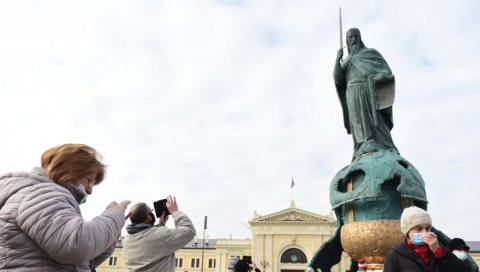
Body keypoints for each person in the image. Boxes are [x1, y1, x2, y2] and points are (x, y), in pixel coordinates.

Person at [0, 143, 130, 271]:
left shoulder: (40, 194)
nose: (90, 190)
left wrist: (105, 247)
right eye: (89, 180)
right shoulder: (42, 192)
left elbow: (75, 263)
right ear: (71, 170)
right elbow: (76, 246)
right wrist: (115, 214)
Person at [334, 28, 399, 161]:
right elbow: (338, 79)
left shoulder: (370, 53)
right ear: (346, 41)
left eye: (356, 36)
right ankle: (362, 147)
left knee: (374, 121)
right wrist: (337, 61)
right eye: (350, 37)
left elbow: (385, 70)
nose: (353, 40)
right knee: (357, 121)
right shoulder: (346, 60)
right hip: (352, 93)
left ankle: (381, 145)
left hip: (368, 90)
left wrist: (382, 75)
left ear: (360, 38)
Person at [384, 206, 470, 271]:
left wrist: (439, 252)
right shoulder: (395, 255)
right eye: (418, 229)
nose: (425, 232)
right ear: (408, 232)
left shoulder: (439, 248)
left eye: (428, 228)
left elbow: (462, 270)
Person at [123, 195, 196, 272]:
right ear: (149, 218)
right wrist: (175, 212)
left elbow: (148, 238)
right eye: (151, 211)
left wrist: (160, 224)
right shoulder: (160, 236)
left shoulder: (127, 238)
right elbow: (189, 230)